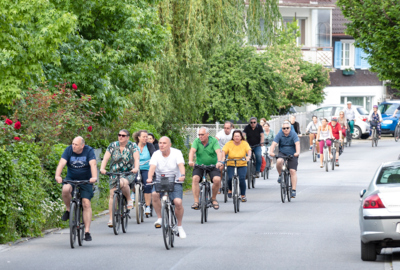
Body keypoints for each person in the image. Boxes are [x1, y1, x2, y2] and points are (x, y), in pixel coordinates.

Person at [55, 136, 98, 241]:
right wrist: (58, 176)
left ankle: (87, 232)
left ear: (82, 146)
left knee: (86, 204)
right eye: (73, 144)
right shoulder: (69, 150)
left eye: (76, 145)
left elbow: (93, 164)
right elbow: (62, 163)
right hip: (71, 178)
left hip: (86, 180)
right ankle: (69, 210)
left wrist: (94, 177)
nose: (73, 146)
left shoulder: (88, 150)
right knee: (65, 190)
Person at [147, 136, 186, 239]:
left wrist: (182, 175)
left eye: (164, 143)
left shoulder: (176, 152)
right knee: (154, 194)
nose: (161, 145)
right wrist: (150, 178)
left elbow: (181, 165)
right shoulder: (156, 154)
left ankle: (179, 226)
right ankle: (160, 218)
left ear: (170, 145)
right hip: (161, 180)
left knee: (178, 202)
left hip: (175, 180)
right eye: (160, 143)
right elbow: (152, 167)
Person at [100, 129, 139, 227]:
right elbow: (106, 158)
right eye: (119, 135)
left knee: (122, 182)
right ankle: (111, 219)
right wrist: (102, 168)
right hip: (114, 173)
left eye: (123, 135)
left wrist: (136, 168)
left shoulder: (133, 146)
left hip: (128, 173)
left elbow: (136, 158)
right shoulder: (113, 145)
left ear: (128, 137)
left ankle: (129, 199)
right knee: (112, 195)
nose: (121, 137)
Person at [189, 127, 223, 210]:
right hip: (200, 165)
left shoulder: (213, 141)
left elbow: (218, 151)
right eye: (199, 135)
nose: (200, 136)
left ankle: (213, 198)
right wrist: (190, 160)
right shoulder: (196, 141)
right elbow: (192, 151)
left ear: (207, 134)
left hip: (212, 166)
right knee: (195, 179)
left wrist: (219, 161)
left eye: (202, 134)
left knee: (217, 180)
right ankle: (196, 202)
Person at [269, 121, 300, 198]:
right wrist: (271, 152)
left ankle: (293, 190)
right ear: (282, 129)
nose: (286, 129)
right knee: (279, 161)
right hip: (282, 153)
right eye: (284, 128)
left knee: (292, 171)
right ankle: (280, 174)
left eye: (287, 128)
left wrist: (297, 152)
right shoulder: (279, 134)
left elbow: (297, 144)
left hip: (292, 154)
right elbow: (273, 144)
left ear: (290, 128)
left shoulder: (293, 134)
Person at [221, 130, 251, 202]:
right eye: (235, 136)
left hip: (242, 163)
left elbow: (249, 150)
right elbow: (224, 151)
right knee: (230, 178)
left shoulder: (244, 143)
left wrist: (248, 156)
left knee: (242, 178)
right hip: (231, 163)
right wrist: (223, 157)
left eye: (238, 136)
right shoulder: (229, 143)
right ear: (233, 137)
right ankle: (230, 189)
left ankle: (243, 195)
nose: (237, 137)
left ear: (241, 137)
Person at [134, 130, 157, 215]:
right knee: (132, 179)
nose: (145, 138)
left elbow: (154, 155)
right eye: (143, 137)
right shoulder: (134, 146)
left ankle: (147, 206)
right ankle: (134, 193)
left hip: (146, 168)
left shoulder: (149, 146)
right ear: (138, 137)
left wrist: (153, 163)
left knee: (147, 185)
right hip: (136, 168)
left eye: (146, 137)